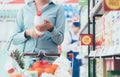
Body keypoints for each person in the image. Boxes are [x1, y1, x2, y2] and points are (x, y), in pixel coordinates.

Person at [11, 0, 65, 68]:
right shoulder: (24, 9)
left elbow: (59, 40)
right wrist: (28, 33)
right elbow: (14, 39)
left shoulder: (58, 9)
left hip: (48, 62)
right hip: (26, 61)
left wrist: (51, 28)